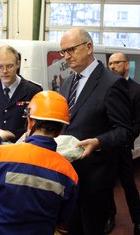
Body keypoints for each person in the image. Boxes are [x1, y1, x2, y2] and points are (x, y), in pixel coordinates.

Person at [0, 90, 79, 235]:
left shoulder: (0, 155)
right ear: (59, 131)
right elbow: (62, 218)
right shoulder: (69, 173)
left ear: (30, 121)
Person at [59, 28, 132, 235]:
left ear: (88, 47)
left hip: (95, 178)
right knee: (72, 228)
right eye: (63, 51)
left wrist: (98, 142)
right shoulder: (67, 83)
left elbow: (124, 132)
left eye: (71, 49)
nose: (66, 56)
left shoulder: (112, 83)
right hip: (69, 175)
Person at [104, 52, 140, 234]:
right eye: (110, 63)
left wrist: (126, 139)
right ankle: (110, 216)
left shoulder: (136, 90)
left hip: (124, 146)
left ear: (127, 65)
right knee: (107, 183)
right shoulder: (106, 87)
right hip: (107, 146)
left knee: (128, 184)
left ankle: (138, 219)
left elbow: (138, 122)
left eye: (117, 63)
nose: (112, 67)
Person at [0, 44, 42, 143]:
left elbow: (35, 126)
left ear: (18, 64)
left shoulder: (33, 91)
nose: (4, 71)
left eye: (9, 66)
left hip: (19, 151)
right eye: (0, 66)